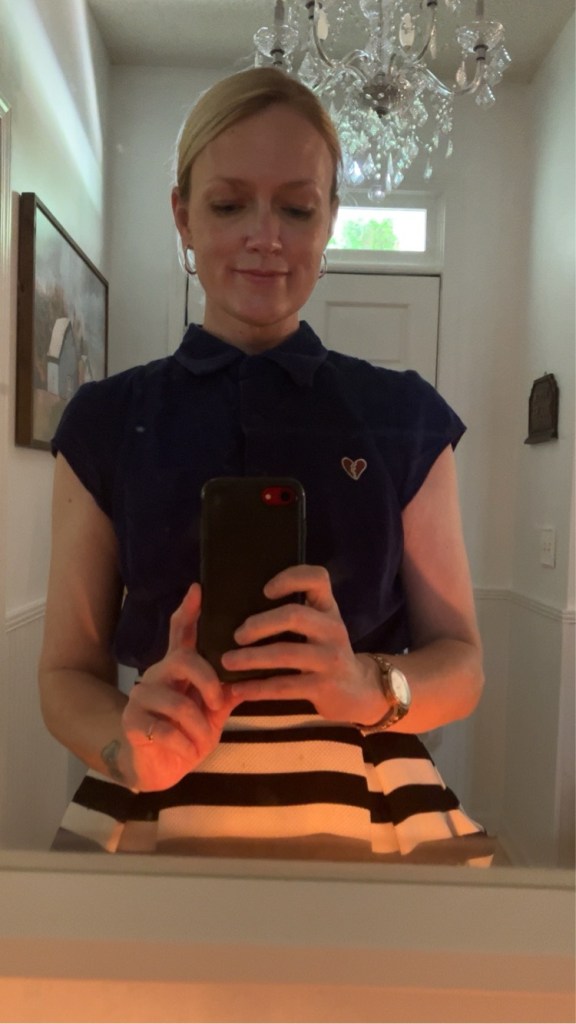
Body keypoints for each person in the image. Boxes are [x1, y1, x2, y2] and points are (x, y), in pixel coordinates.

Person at [39, 67, 492, 862]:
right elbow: (66, 675)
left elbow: (462, 664)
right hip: (157, 788)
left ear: (330, 221)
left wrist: (371, 685)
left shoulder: (405, 416)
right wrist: (124, 745)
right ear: (182, 216)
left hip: (370, 793)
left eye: (296, 207)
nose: (266, 236)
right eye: (228, 204)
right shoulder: (105, 421)